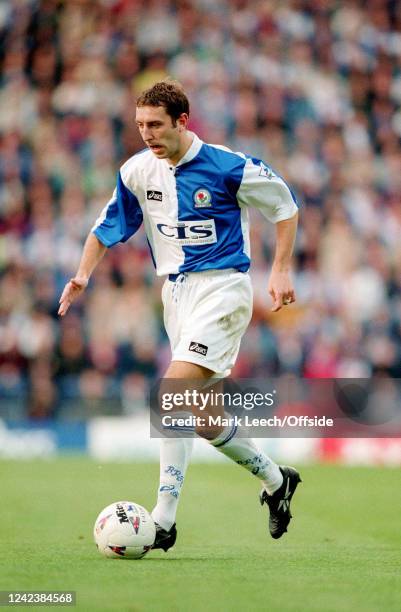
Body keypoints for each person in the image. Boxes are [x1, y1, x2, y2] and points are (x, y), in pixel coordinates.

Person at [58, 79, 301, 551]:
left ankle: (163, 520)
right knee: (203, 415)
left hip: (224, 288)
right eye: (139, 125)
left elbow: (285, 206)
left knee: (171, 395)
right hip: (175, 294)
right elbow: (106, 227)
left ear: (182, 121)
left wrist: (281, 268)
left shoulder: (229, 167)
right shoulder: (136, 172)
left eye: (154, 124)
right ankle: (277, 481)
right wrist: (84, 274)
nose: (145, 133)